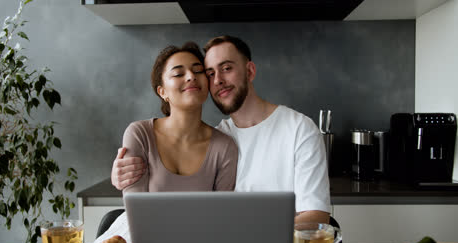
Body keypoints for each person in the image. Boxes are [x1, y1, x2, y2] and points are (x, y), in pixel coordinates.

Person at [111, 36, 330, 224]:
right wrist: (121, 176)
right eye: (210, 73)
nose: (219, 81)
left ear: (250, 71)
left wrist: (257, 234)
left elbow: (317, 216)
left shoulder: (299, 129)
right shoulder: (221, 138)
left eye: (227, 68)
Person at [95, 42, 238, 243]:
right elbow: (138, 213)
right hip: (142, 241)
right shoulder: (139, 134)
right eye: (178, 74)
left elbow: (220, 218)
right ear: (162, 91)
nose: (190, 76)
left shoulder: (224, 146)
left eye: (198, 71)